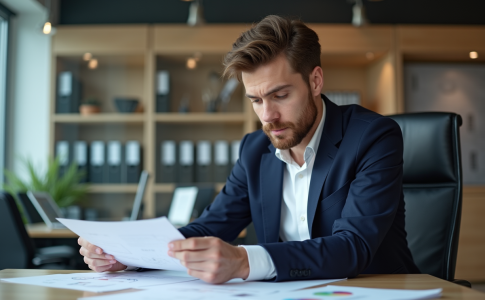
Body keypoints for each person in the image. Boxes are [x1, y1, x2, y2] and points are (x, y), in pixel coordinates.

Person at [78, 15, 420, 284]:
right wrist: (131, 255)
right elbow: (212, 226)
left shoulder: (373, 137)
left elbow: (353, 247)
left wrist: (243, 260)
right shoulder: (255, 149)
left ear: (315, 81)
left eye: (281, 95)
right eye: (256, 100)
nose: (268, 116)